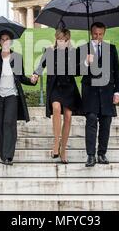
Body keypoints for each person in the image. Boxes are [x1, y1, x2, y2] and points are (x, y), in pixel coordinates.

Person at [0, 30, 37, 165]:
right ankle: (3, 155)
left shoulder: (16, 57)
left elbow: (21, 77)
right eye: (2, 39)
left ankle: (8, 156)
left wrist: (31, 80)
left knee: (9, 123)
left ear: (11, 41)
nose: (5, 41)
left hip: (12, 95)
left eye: (7, 39)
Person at [32, 28, 83, 164]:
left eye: (65, 40)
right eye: (60, 40)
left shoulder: (73, 52)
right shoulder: (49, 51)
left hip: (68, 87)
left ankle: (63, 149)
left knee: (68, 116)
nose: (62, 43)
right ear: (56, 39)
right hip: (55, 86)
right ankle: (56, 142)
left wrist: (86, 62)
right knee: (56, 108)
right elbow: (40, 66)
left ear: (68, 40)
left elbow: (78, 71)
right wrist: (35, 74)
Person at [76, 22, 119, 167]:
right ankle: (91, 155)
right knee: (90, 120)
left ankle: (102, 153)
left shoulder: (111, 49)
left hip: (107, 91)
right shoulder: (83, 49)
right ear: (91, 33)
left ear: (104, 33)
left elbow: (117, 71)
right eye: (95, 34)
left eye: (100, 34)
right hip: (90, 91)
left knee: (106, 122)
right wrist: (85, 63)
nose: (98, 37)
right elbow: (75, 72)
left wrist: (117, 91)